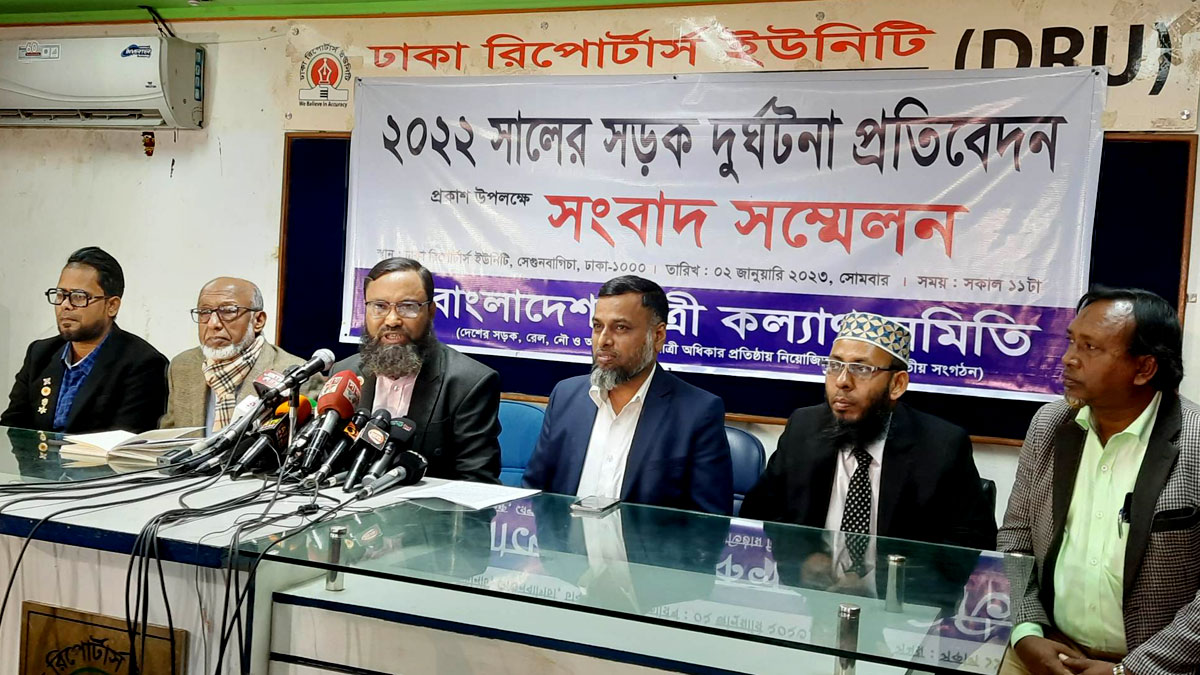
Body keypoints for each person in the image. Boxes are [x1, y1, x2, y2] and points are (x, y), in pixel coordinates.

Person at [999, 288, 1200, 675]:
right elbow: (1015, 539)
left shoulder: (1195, 442)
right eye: (1071, 341)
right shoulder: (1049, 424)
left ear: (1144, 368)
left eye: (1090, 347)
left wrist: (1130, 671)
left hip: (1156, 664)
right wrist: (1025, 630)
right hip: (1049, 647)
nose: (1068, 358)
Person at [740, 311, 996, 585]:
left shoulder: (941, 446)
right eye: (834, 365)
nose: (842, 381)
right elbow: (762, 509)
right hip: (814, 596)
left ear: (897, 384)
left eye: (861, 369)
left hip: (901, 603)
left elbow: (969, 544)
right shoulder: (804, 428)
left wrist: (876, 584)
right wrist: (803, 559)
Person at [522, 275, 733, 515]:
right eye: (598, 326)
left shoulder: (697, 413)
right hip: (564, 539)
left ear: (658, 336)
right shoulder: (566, 396)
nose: (603, 340)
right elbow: (534, 493)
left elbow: (709, 522)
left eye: (620, 328)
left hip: (647, 541)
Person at [331, 257, 501, 483]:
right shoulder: (345, 374)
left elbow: (477, 483)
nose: (392, 320)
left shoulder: (469, 383)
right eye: (379, 306)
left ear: (431, 311)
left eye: (408, 307)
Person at [2, 247, 167, 433]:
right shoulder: (40, 354)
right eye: (60, 295)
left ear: (112, 306)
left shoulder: (142, 364)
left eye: (78, 297)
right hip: (33, 454)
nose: (65, 305)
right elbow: (11, 427)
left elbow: (124, 443)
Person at [160, 277, 319, 432]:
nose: (213, 323)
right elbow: (165, 439)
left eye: (228, 311)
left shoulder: (297, 375)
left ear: (258, 321)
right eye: (204, 312)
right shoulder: (183, 366)